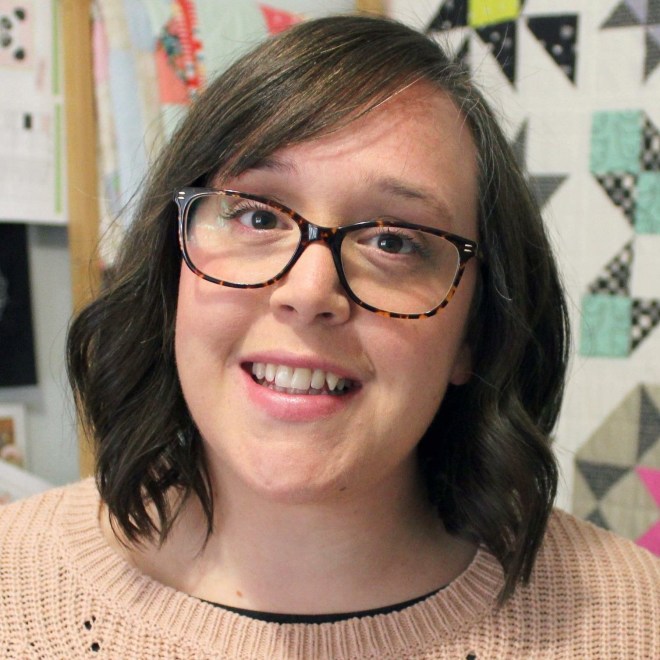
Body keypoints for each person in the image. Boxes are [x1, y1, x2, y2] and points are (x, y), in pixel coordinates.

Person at [1, 14, 658, 659]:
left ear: (474, 332)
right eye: (257, 217)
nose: (310, 291)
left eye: (394, 241)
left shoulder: (633, 620)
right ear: (172, 273)